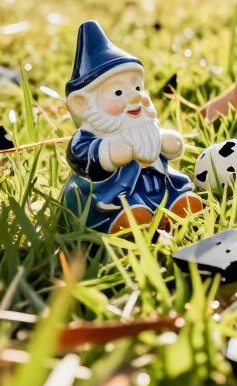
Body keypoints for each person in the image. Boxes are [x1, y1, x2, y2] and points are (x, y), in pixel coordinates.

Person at [62, 21, 202, 232]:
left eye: (137, 87)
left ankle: (176, 205)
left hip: (159, 182)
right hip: (109, 191)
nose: (136, 96)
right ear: (82, 103)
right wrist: (107, 153)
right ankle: (130, 219)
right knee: (117, 206)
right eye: (118, 92)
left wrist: (166, 142)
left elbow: (159, 147)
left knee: (175, 192)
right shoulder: (87, 136)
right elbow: (80, 156)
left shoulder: (144, 124)